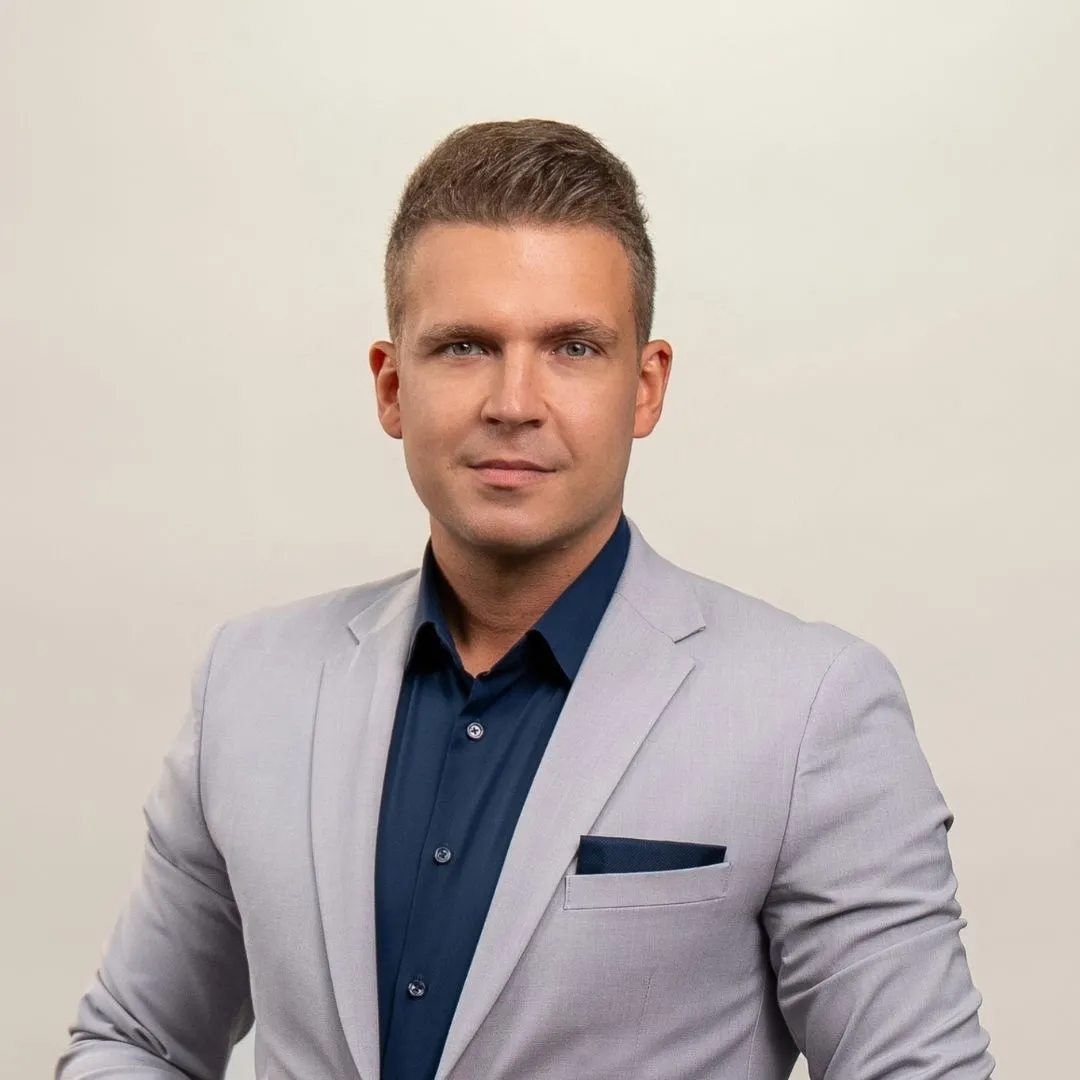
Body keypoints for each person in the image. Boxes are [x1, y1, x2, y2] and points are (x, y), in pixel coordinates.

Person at [57, 119, 994, 1080]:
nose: (514, 402)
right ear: (391, 386)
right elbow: (134, 1043)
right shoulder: (251, 684)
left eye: (573, 347)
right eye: (465, 346)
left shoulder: (810, 713)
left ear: (646, 387)